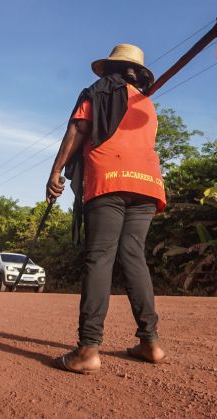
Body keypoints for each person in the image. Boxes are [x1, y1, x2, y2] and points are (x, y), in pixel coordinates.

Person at [47, 44, 167, 374]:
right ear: (138, 73)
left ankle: (87, 349)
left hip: (110, 178)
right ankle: (151, 342)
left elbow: (78, 129)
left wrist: (56, 171)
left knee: (100, 255)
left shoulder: (97, 91)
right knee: (133, 255)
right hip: (147, 182)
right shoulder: (148, 105)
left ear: (109, 68)